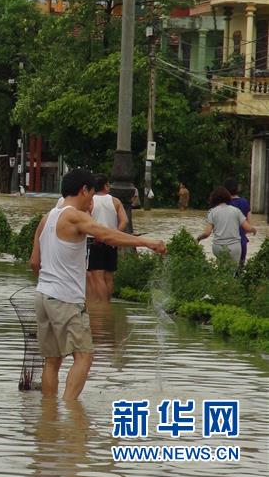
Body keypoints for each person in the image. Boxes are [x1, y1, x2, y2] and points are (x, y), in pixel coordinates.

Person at [29, 169, 166, 400]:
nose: (92, 202)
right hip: (66, 299)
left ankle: (49, 414)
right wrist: (146, 242)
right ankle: (72, 413)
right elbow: (110, 236)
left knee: (52, 361)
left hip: (43, 296)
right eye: (91, 196)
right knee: (84, 356)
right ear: (84, 190)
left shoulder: (47, 218)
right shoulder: (75, 216)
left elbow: (34, 263)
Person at [87, 174, 128, 302]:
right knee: (109, 276)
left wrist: (97, 235)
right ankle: (107, 302)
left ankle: (101, 306)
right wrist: (115, 234)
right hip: (111, 242)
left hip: (94, 242)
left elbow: (87, 222)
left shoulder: (89, 201)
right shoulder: (115, 201)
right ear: (105, 186)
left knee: (97, 276)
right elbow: (124, 221)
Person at [197, 186, 257, 264]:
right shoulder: (236, 211)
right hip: (234, 247)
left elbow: (207, 233)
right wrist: (253, 229)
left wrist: (198, 238)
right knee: (232, 271)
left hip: (218, 247)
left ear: (214, 198)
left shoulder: (212, 212)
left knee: (222, 268)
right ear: (227, 197)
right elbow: (247, 228)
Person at [224, 177, 252, 266]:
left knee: (225, 272)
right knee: (240, 270)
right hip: (241, 242)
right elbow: (249, 226)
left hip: (226, 244)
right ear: (237, 189)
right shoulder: (245, 202)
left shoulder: (223, 204)